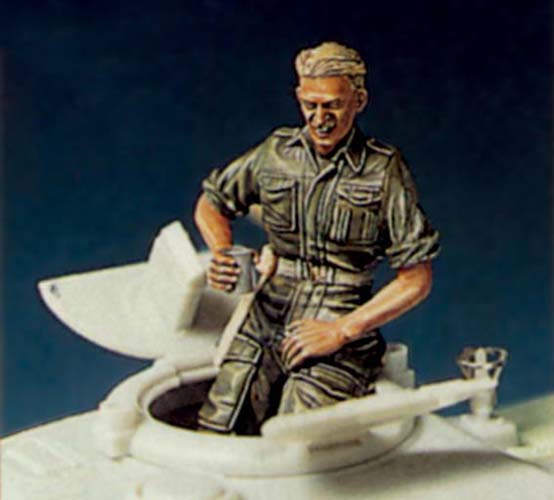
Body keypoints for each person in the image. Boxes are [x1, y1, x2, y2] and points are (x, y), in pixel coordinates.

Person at [194, 42, 440, 434]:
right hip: (265, 319)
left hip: (339, 326)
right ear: (298, 98)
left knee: (299, 436)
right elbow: (212, 203)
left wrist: (342, 330)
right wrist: (222, 252)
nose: (320, 119)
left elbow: (417, 278)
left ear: (359, 101)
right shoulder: (276, 153)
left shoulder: (383, 169)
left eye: (333, 106)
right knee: (218, 423)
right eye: (311, 105)